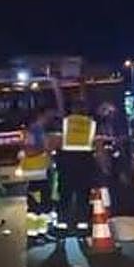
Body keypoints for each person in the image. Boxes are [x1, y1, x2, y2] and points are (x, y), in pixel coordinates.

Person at [54, 100, 96, 238]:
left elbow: (56, 142)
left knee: (65, 195)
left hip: (67, 163)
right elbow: (96, 144)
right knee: (83, 195)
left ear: (72, 109)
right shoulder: (91, 123)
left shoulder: (65, 122)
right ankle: (82, 226)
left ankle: (62, 226)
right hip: (85, 163)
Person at [18, 108, 54, 243]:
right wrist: (45, 149)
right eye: (49, 113)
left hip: (41, 171)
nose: (51, 116)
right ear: (41, 115)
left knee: (44, 204)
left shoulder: (39, 130)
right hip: (35, 173)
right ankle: (34, 235)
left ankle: (41, 233)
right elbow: (28, 150)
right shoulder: (33, 131)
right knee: (35, 205)